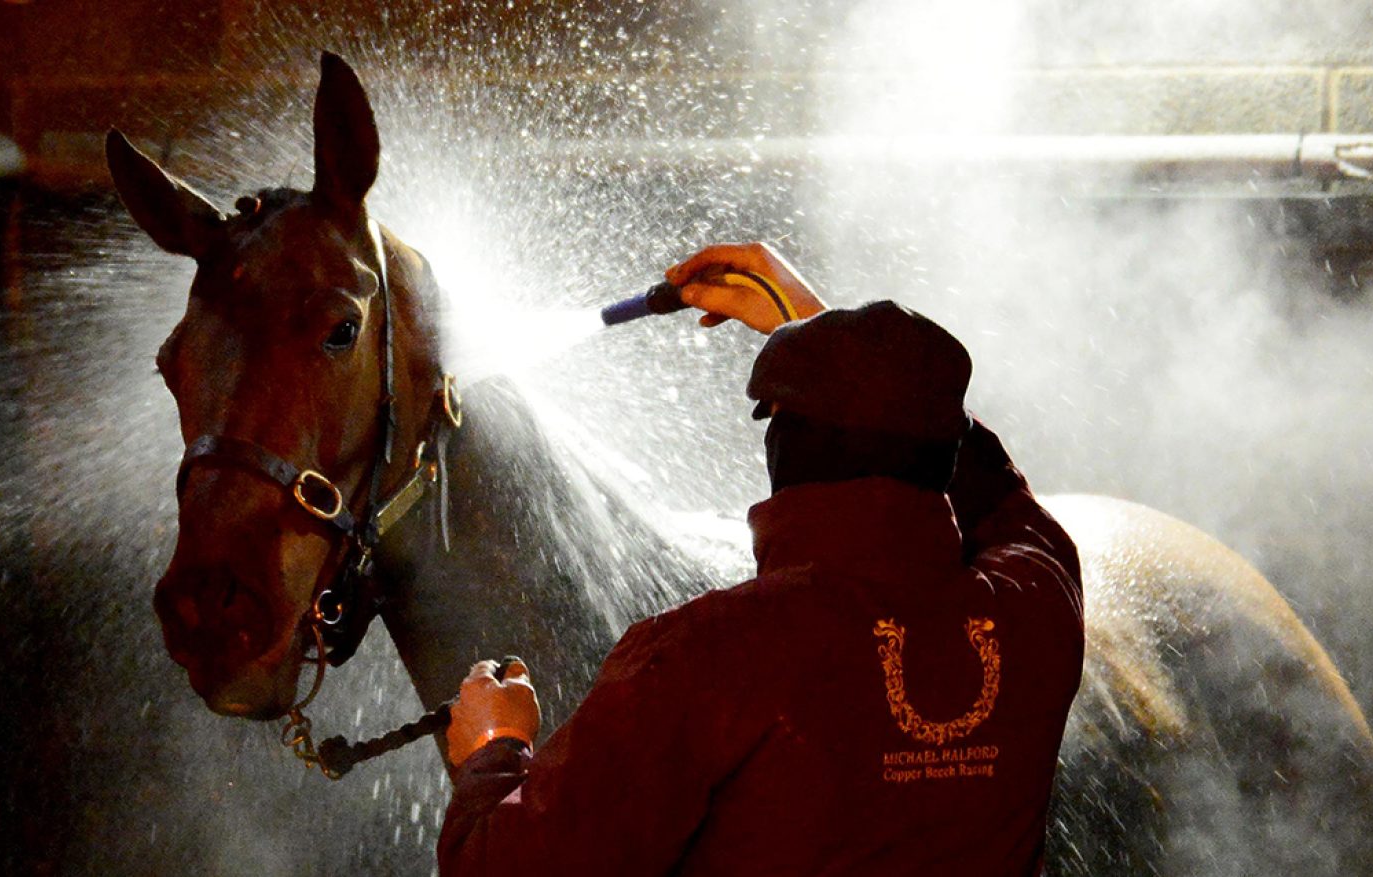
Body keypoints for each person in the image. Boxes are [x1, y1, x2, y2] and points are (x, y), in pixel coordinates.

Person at [436, 242, 1085, 876]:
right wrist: (856, 353)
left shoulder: (707, 654)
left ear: (786, 441)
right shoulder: (1038, 607)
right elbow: (993, 491)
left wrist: (493, 748)